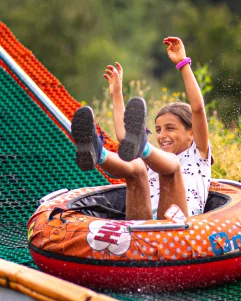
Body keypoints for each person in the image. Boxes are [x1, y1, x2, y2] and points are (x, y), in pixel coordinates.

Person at [71, 37, 211, 221]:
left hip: (178, 227)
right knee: (136, 167)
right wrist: (117, 94)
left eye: (170, 128)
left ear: (191, 132)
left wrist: (183, 64)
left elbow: (198, 109)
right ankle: (98, 152)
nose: (162, 136)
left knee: (171, 166)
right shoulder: (154, 161)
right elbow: (123, 135)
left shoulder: (198, 153)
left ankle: (138, 147)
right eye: (159, 130)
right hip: (143, 226)